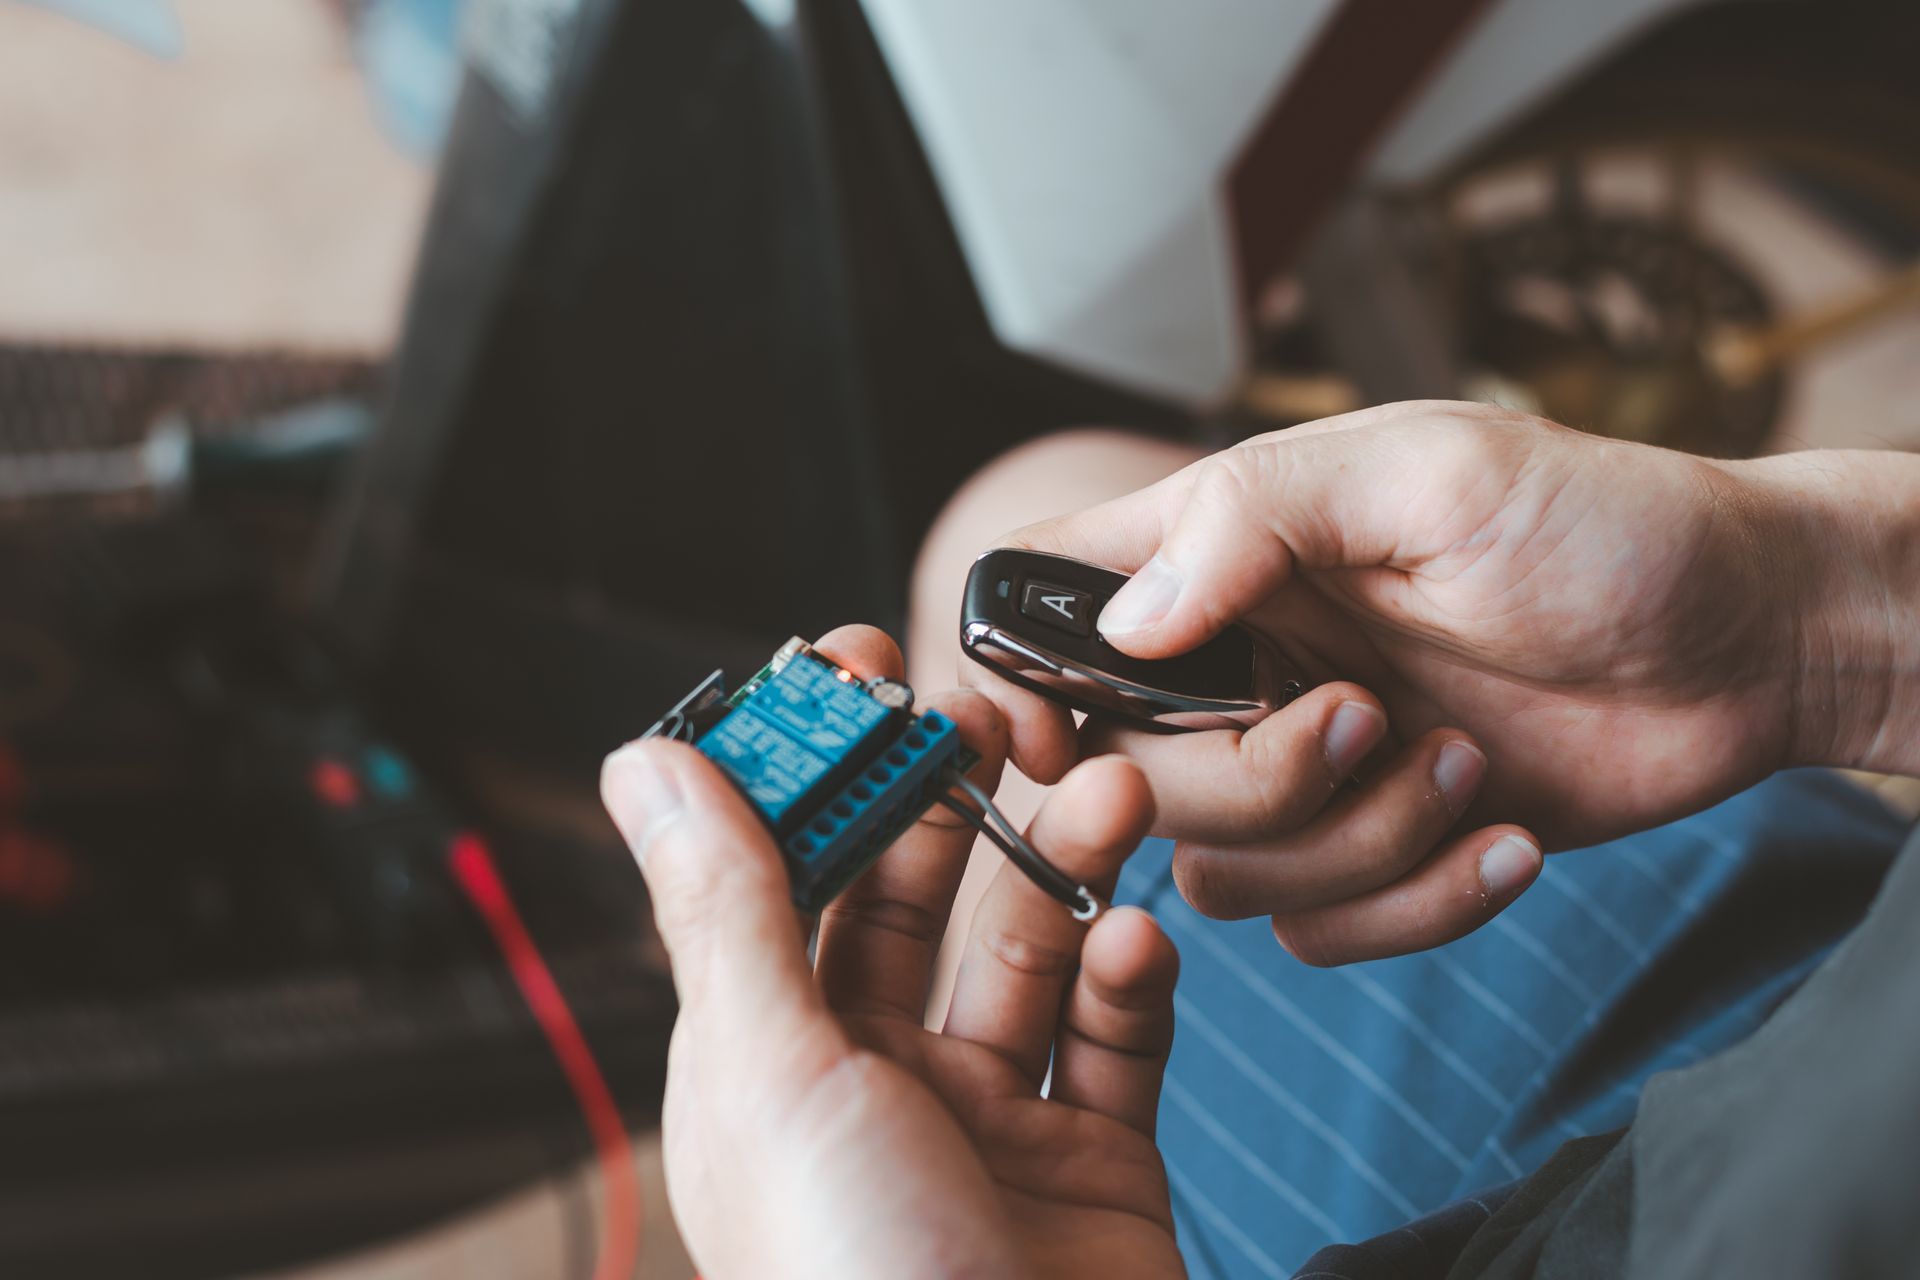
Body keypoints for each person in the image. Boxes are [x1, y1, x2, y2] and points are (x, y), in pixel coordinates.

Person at [602, 402, 1920, 1278]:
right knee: (1020, 519)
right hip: (1804, 1052)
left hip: (1633, 1187)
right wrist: (1826, 614)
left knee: (1015, 556)